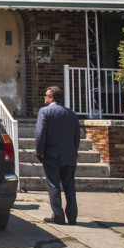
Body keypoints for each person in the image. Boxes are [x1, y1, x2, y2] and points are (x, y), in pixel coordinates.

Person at [35, 86, 80, 225]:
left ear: (52, 98)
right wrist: (74, 151)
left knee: (53, 185)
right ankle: (72, 217)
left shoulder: (45, 112)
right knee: (69, 186)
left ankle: (58, 216)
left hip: (52, 155)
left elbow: (40, 134)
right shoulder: (71, 114)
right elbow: (76, 136)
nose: (45, 97)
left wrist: (39, 152)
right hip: (69, 155)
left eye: (46, 95)